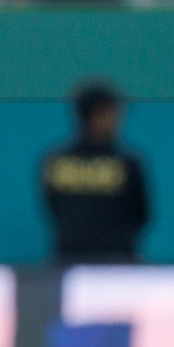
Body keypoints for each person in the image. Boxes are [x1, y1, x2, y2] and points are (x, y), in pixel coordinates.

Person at [40, 81, 150, 263]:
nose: (118, 121)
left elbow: (52, 209)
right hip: (116, 264)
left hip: (69, 261)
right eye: (113, 113)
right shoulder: (126, 163)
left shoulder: (55, 161)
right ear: (97, 116)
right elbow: (141, 215)